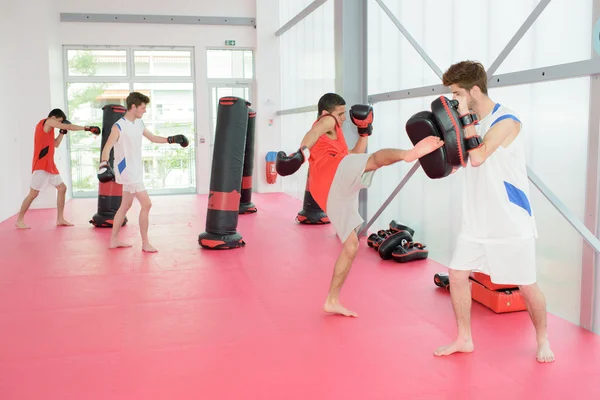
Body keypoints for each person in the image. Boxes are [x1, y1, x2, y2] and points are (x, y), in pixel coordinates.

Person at [276, 93, 444, 317]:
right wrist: (301, 154)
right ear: (327, 113)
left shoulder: (334, 140)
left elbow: (353, 156)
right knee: (373, 161)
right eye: (340, 113)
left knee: (351, 246)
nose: (343, 118)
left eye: (343, 113)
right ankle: (409, 154)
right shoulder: (326, 121)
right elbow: (313, 133)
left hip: (330, 193)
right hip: (332, 175)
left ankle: (332, 300)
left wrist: (364, 132)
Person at [434, 60, 554, 363]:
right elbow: (459, 161)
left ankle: (543, 339)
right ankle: (464, 338)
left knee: (527, 285)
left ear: (475, 90)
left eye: (458, 93)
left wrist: (464, 117)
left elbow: (479, 156)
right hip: (476, 220)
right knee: (457, 275)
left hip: (511, 221)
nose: (454, 100)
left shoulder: (507, 120)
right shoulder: (466, 122)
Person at [98, 91, 189, 253]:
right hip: (127, 171)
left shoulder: (139, 124)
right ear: (133, 107)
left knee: (125, 206)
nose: (144, 110)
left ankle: (113, 240)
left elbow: (153, 138)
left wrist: (171, 139)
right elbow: (107, 147)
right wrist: (103, 164)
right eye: (142, 107)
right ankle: (145, 242)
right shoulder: (118, 126)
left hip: (135, 169)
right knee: (147, 204)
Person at [16, 109, 100, 229]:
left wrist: (61, 133)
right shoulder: (48, 121)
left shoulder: (49, 130)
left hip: (50, 165)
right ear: (54, 117)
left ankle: (60, 219)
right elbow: (65, 125)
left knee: (62, 188)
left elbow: (55, 144)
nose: (60, 124)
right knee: (33, 194)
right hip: (41, 165)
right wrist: (87, 128)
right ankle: (19, 220)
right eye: (60, 121)